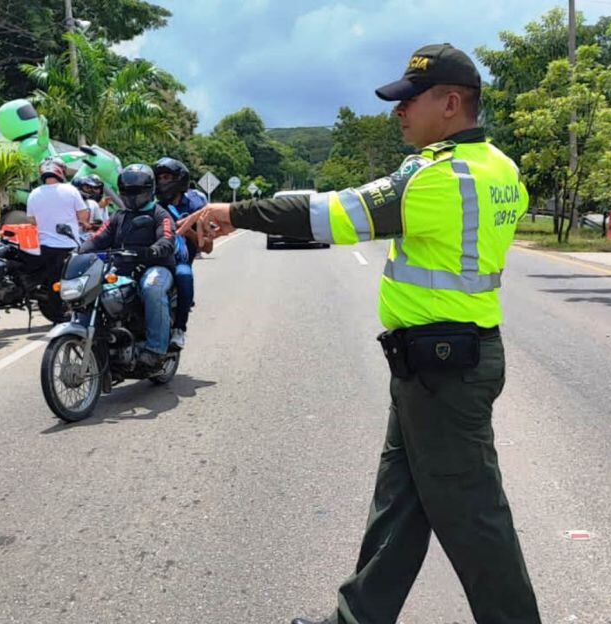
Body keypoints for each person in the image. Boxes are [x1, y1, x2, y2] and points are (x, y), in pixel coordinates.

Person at [178, 44, 540, 624]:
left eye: (410, 100)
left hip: (445, 369)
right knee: (399, 505)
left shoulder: (437, 178)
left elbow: (329, 215)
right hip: (437, 363)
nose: (399, 111)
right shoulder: (500, 167)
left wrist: (234, 212)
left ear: (451, 104)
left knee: (475, 519)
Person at [80, 164, 176, 368]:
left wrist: (153, 250)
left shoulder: (160, 214)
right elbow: (98, 238)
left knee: (152, 288)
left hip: (155, 266)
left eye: (137, 191)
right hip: (123, 268)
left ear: (150, 190)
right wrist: (78, 251)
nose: (132, 196)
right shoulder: (119, 216)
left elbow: (167, 239)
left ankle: (156, 349)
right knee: (92, 288)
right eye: (127, 191)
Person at [152, 157, 205, 349]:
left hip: (178, 261)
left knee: (184, 275)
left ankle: (179, 329)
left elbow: (206, 246)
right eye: (159, 178)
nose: (162, 182)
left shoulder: (194, 207)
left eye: (167, 177)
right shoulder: (153, 206)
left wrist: (186, 229)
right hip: (155, 258)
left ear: (179, 179)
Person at [26, 157, 90, 288]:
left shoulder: (34, 193)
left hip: (44, 248)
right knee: (69, 286)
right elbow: (83, 216)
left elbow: (32, 221)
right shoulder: (70, 190)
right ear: (61, 171)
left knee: (50, 285)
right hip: (68, 246)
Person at [71, 174, 109, 241]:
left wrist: (90, 226)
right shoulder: (69, 203)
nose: (90, 190)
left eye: (91, 187)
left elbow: (100, 224)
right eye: (87, 187)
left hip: (88, 239)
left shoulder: (93, 203)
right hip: (71, 239)